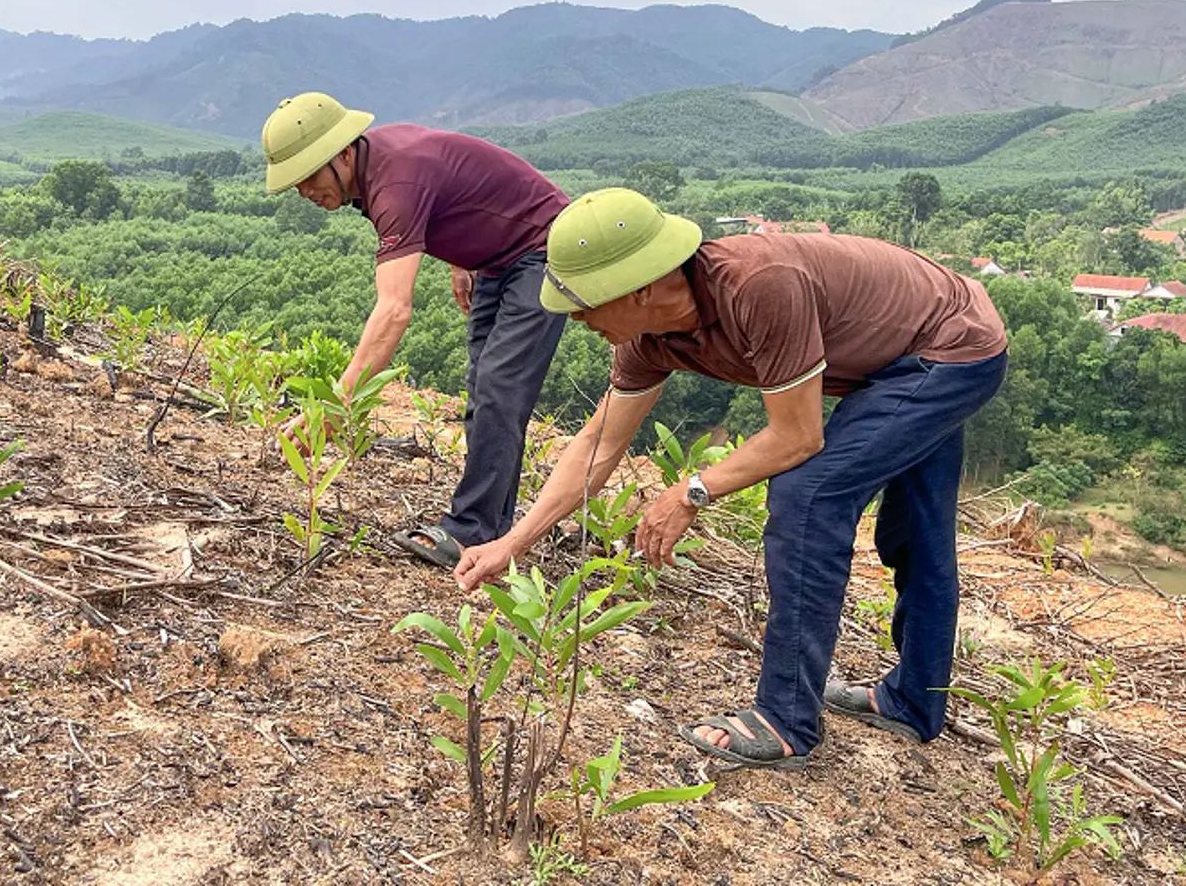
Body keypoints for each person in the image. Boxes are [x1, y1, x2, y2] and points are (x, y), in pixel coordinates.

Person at [455, 188, 1008, 771]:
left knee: (807, 494)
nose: (576, 318)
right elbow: (599, 445)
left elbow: (798, 437)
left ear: (639, 287)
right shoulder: (647, 338)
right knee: (914, 530)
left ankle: (786, 720)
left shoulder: (758, 285)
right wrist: (511, 544)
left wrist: (692, 491)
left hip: (951, 347)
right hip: (896, 348)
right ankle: (913, 702)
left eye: (584, 302)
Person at [262, 92, 569, 568]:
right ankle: (490, 526)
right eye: (293, 184)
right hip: (494, 261)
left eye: (307, 176)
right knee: (484, 391)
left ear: (342, 154)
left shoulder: (394, 180)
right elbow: (458, 193)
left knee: (499, 390)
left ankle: (471, 533)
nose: (303, 191)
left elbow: (393, 311)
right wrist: (462, 256)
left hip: (543, 249)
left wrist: (334, 405)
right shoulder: (372, 169)